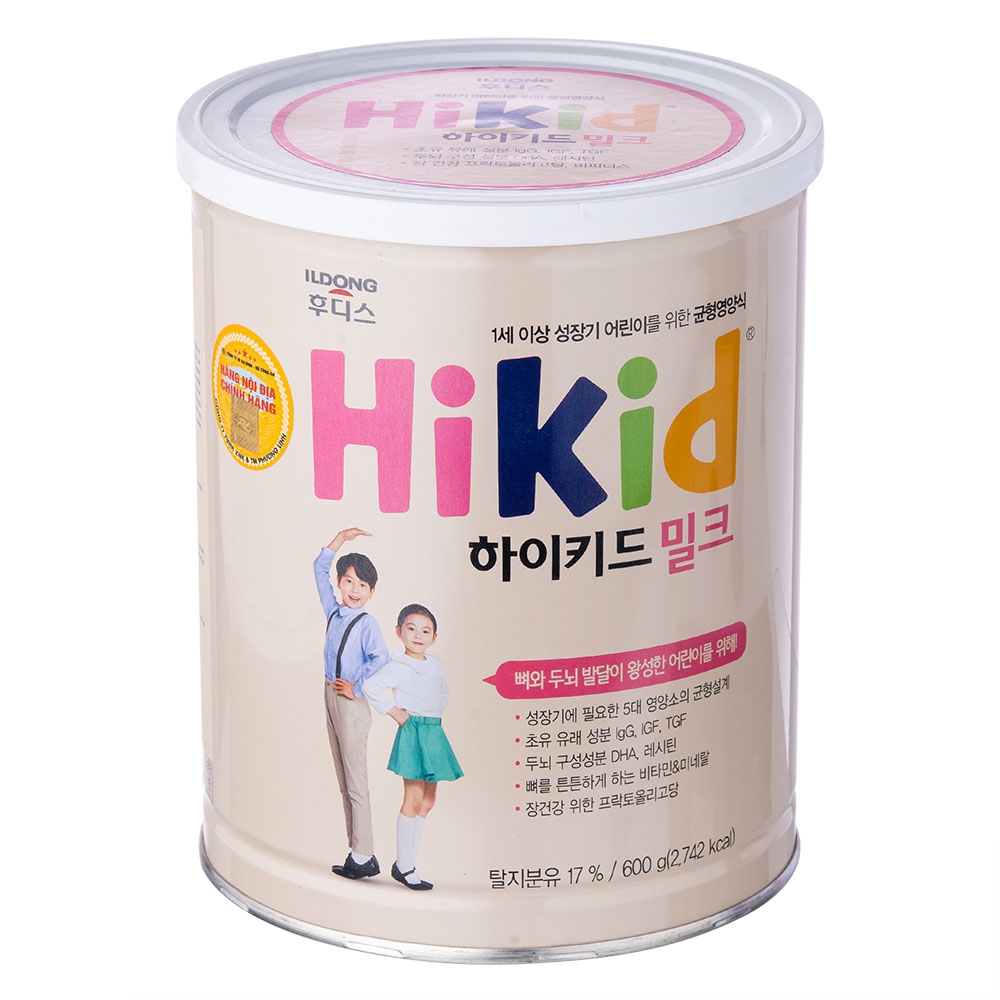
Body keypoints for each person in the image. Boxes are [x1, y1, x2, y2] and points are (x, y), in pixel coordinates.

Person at [362, 604, 463, 890]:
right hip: (414, 730)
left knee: (428, 801)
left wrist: (436, 709)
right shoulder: (399, 665)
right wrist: (395, 712)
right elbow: (371, 686)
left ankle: (405, 863)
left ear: (434, 637)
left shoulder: (435, 664)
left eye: (425, 631)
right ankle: (405, 866)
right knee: (414, 797)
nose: (418, 636)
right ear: (399, 631)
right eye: (411, 628)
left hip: (433, 730)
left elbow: (442, 690)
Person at [313, 527, 388, 881]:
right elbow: (318, 570)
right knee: (343, 778)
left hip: (351, 703)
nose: (355, 590)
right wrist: (340, 539)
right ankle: (357, 851)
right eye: (349, 582)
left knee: (356, 780)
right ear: (340, 584)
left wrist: (356, 686)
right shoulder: (334, 612)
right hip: (330, 694)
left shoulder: (367, 624)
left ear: (371, 592)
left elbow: (380, 658)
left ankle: (364, 853)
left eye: (362, 585)